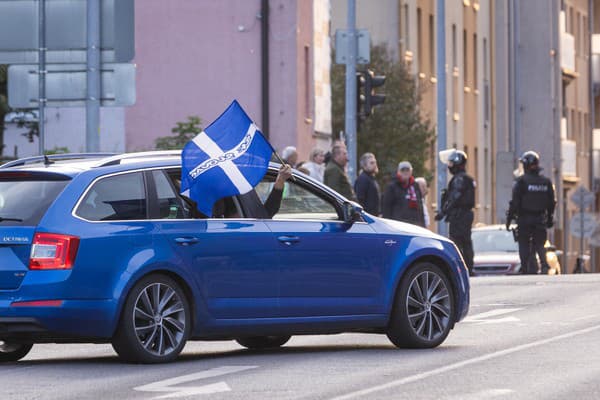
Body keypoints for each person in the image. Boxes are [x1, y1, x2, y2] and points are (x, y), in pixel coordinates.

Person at [505, 151, 556, 274]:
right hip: (540, 218)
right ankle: (544, 265)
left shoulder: (521, 182)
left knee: (524, 243)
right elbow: (551, 202)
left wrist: (509, 219)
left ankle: (525, 268)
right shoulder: (546, 182)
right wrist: (549, 218)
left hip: (524, 218)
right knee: (540, 243)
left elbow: (515, 202)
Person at [435, 150, 475, 276]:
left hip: (459, 215)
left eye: (452, 163)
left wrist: (443, 212)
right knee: (466, 241)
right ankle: (468, 267)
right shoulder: (467, 179)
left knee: (457, 242)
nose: (449, 166)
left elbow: (454, 197)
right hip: (465, 214)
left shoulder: (459, 179)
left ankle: (462, 268)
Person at [382, 161, 425, 226]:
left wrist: (422, 225)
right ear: (398, 172)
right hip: (398, 225)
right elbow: (386, 208)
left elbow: (420, 207)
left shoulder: (415, 186)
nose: (405, 172)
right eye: (402, 170)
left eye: (407, 170)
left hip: (415, 225)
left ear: (411, 172)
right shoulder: (392, 187)